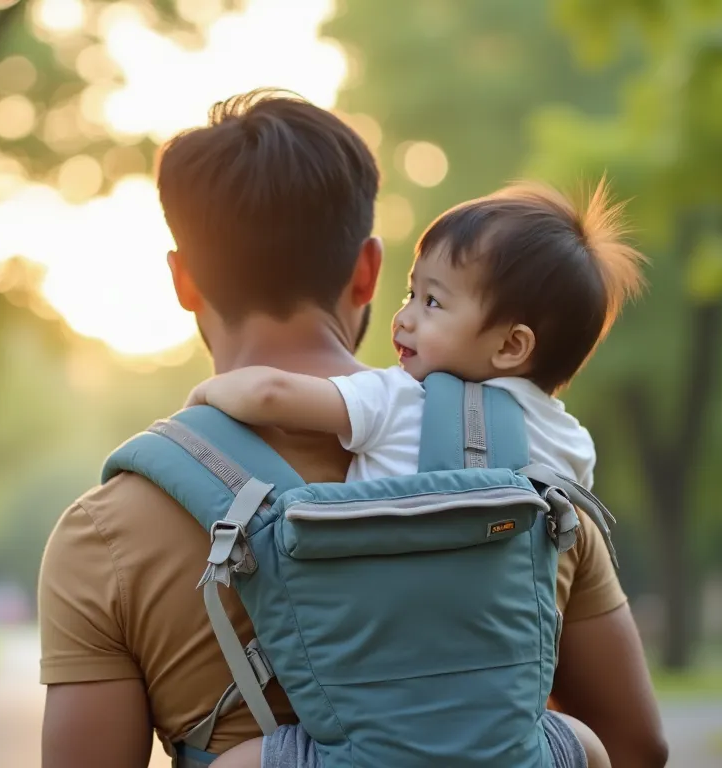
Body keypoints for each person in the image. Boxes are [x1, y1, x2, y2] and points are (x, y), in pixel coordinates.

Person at [38, 89, 669, 768]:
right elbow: (637, 747)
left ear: (183, 281)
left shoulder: (103, 531)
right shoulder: (522, 471)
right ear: (369, 270)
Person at [184, 178, 647, 768]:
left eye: (432, 302)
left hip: (365, 720)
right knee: (587, 748)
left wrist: (203, 395)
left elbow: (271, 393)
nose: (402, 319)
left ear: (510, 345)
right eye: (411, 293)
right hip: (501, 729)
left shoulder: (401, 400)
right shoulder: (570, 444)